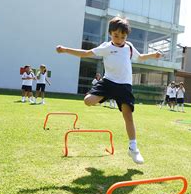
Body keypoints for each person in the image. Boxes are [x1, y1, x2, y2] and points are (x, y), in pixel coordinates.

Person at [56, 16, 163, 164]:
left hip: (124, 85)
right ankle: (105, 97)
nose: (119, 39)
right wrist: (66, 50)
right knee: (88, 101)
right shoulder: (106, 47)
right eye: (116, 36)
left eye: (123, 36)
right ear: (110, 34)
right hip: (108, 82)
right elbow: (86, 53)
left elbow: (140, 58)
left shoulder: (129, 47)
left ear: (127, 36)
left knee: (128, 116)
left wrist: (154, 55)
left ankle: (133, 148)